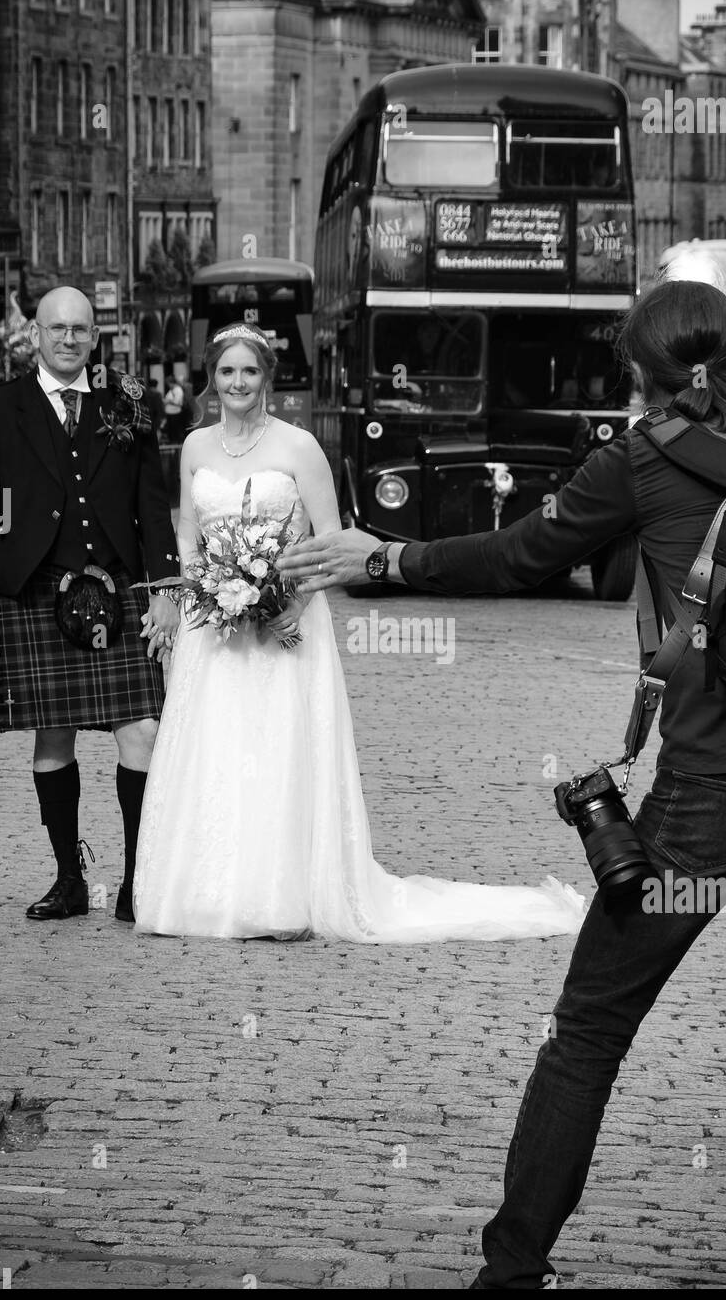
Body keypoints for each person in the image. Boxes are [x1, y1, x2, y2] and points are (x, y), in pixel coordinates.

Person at [284, 279, 726, 1286]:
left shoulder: (640, 460)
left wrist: (388, 557)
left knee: (585, 1031)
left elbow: (524, 553)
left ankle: (513, 1270)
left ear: (638, 371)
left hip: (714, 793)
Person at [132, 323, 583, 942]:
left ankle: (279, 897)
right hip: (214, 632)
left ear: (268, 378)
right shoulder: (194, 447)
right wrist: (200, 593)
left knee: (276, 753)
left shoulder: (300, 447)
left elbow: (332, 537)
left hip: (287, 623)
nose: (238, 384)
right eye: (227, 372)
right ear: (213, 378)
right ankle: (201, 894)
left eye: (250, 372)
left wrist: (291, 598)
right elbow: (187, 532)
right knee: (214, 754)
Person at [0, 286, 181, 924]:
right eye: (56, 328)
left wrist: (164, 589)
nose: (69, 339)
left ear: (93, 337)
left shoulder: (126, 406)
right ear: (36, 335)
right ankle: (68, 879)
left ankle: (139, 879)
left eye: (80, 329)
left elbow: (150, 507)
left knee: (141, 731)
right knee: (52, 738)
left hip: (117, 591)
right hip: (33, 590)